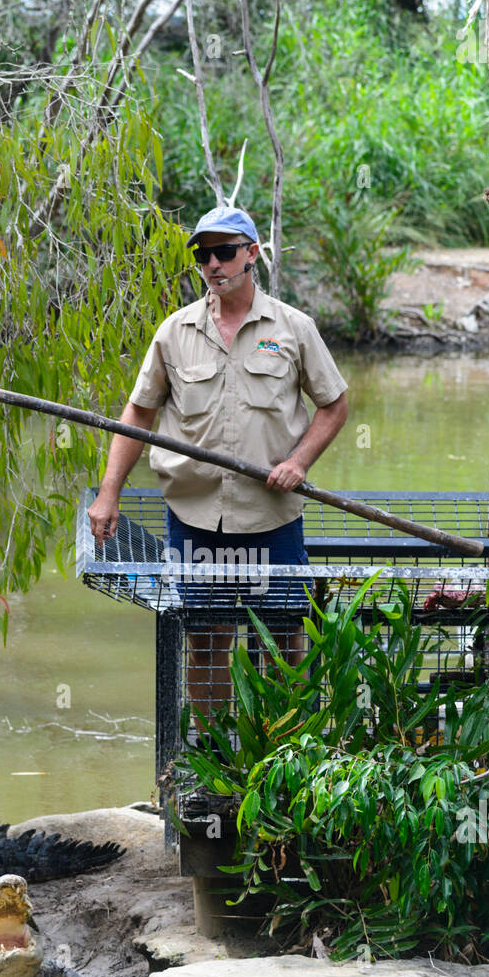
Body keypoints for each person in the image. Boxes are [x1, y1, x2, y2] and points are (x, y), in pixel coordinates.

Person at [87, 204, 349, 714]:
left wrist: (299, 462)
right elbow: (137, 414)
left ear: (252, 255)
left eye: (224, 252)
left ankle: (282, 760)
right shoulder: (174, 333)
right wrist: (109, 492)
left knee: (282, 646)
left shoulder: (294, 329)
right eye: (204, 255)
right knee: (205, 646)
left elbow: (334, 405)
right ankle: (212, 763)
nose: (213, 264)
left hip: (271, 520)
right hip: (195, 520)